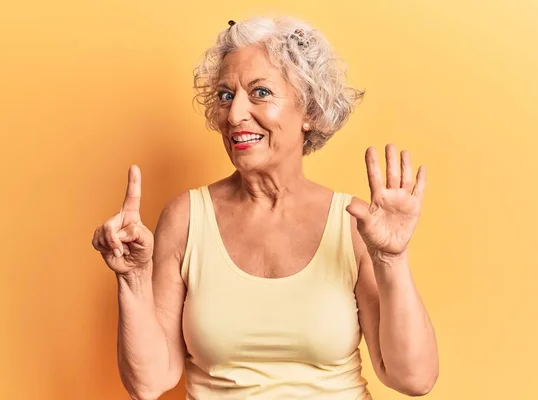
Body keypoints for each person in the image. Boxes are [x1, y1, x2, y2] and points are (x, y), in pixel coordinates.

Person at [92, 16, 438, 400]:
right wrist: (133, 277)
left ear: (309, 110)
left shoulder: (354, 225)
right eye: (225, 95)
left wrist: (391, 258)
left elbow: (414, 379)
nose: (235, 114)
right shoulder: (187, 218)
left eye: (259, 93)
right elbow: (150, 382)